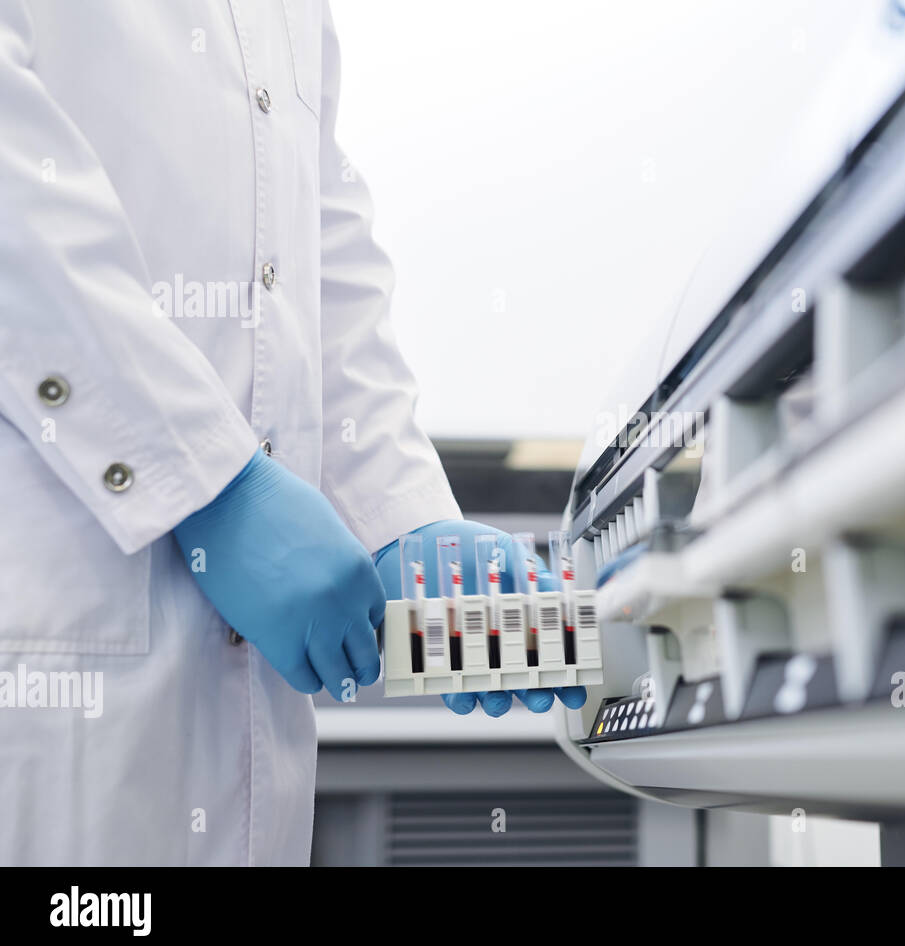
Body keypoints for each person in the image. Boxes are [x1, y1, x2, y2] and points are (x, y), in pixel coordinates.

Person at [0, 0, 581, 865]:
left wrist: (398, 515)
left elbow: (315, 247)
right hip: (53, 632)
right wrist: (209, 486)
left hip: (242, 717)